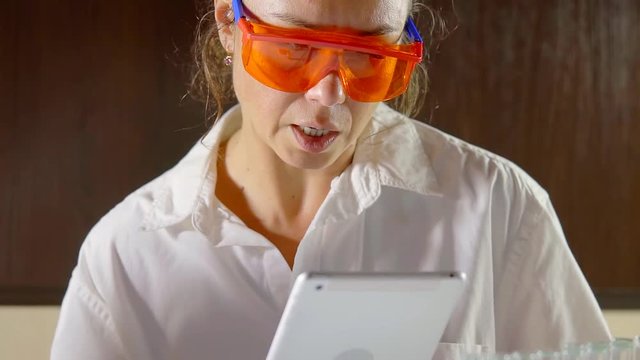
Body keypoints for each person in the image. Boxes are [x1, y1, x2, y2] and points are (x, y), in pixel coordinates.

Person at [50, 0, 612, 359]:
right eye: (294, 47)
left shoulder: (499, 208)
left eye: (370, 54)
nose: (328, 95)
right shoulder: (125, 259)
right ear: (230, 24)